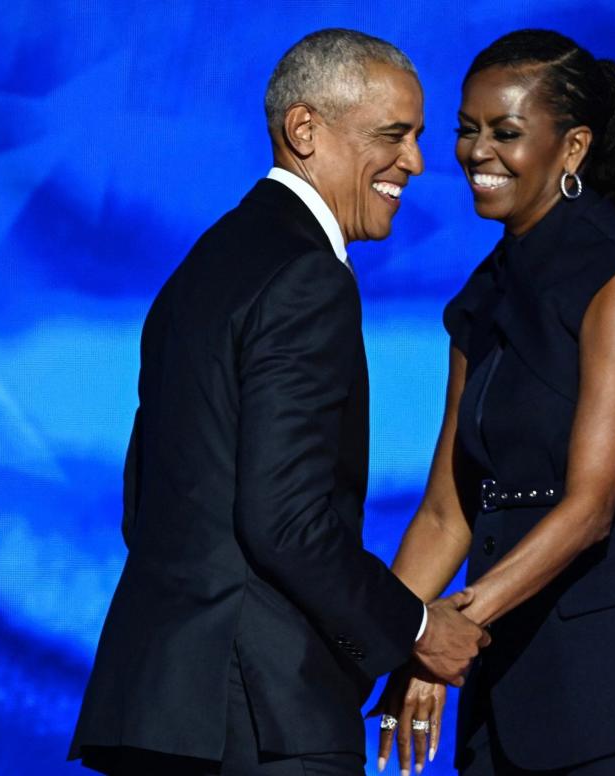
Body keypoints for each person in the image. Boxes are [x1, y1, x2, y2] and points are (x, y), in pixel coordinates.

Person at [69, 29, 490, 776]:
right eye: (392, 135)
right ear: (305, 130)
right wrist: (417, 627)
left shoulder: (203, 266)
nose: (417, 163)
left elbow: (147, 500)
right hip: (260, 716)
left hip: (163, 708)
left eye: (419, 137)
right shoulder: (307, 278)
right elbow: (285, 522)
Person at [371, 29, 615, 776]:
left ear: (573, 147)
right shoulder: (480, 298)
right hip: (511, 665)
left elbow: (589, 509)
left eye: (506, 133)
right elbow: (445, 513)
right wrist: (377, 644)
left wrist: (447, 629)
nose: (475, 152)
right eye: (466, 129)